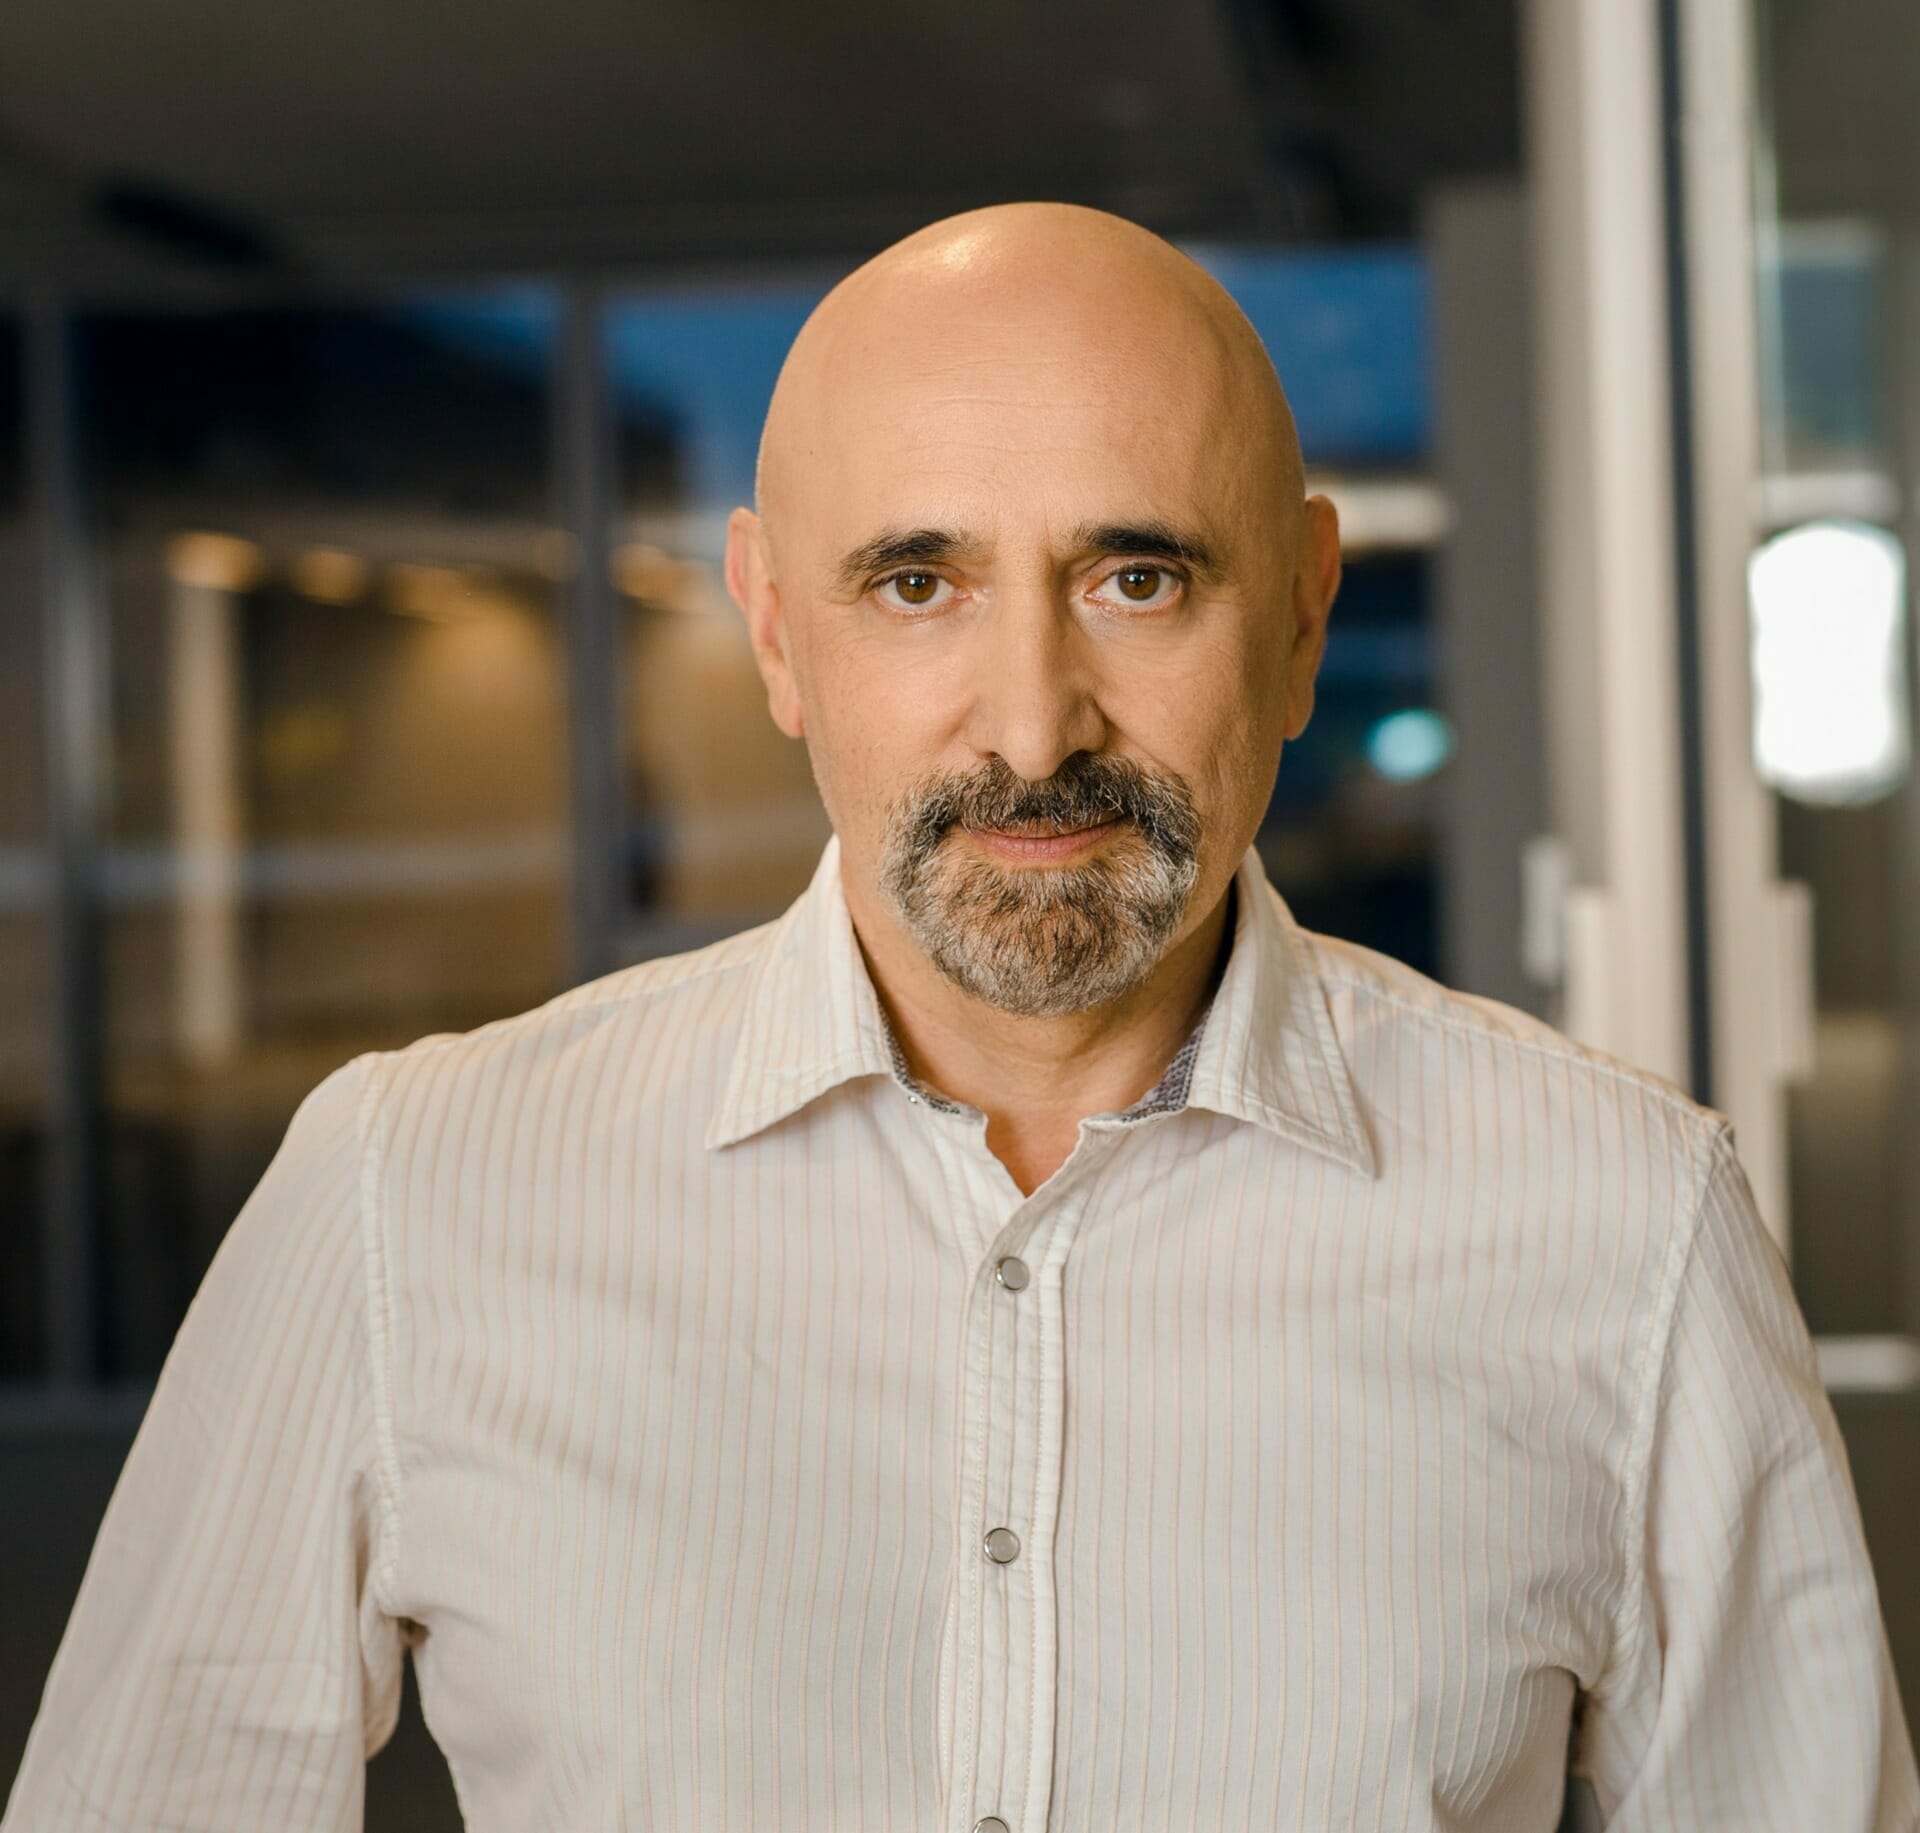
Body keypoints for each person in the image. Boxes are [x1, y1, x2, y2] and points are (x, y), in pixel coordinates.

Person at [6, 201, 1916, 1833]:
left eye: (1138, 575)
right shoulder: (405, 1194)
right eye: (918, 581)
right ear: (774, 629)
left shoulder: (1624, 1218)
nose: (1031, 720)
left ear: (1307, 619)